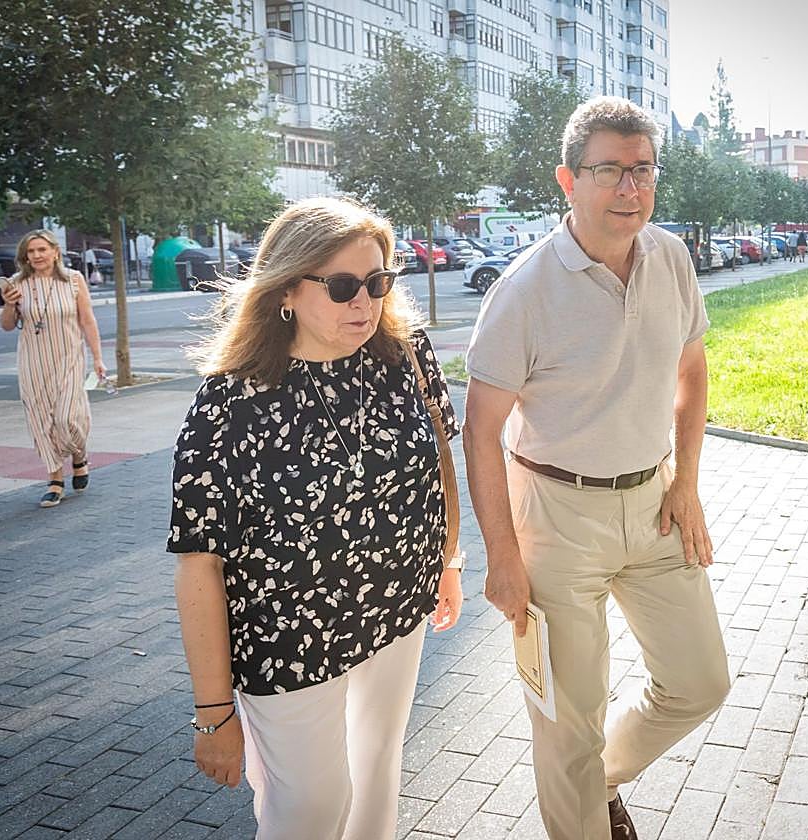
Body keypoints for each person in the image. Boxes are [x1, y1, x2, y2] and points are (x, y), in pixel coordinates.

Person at [463, 97, 730, 840]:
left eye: (643, 170)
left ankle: (597, 780)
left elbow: (693, 372)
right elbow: (479, 431)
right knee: (566, 720)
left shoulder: (671, 258)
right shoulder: (523, 290)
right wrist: (502, 558)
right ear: (568, 179)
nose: (630, 188)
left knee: (701, 683)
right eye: (609, 170)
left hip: (654, 504)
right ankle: (582, 805)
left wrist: (686, 485)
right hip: (557, 517)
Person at [167, 197, 464, 840]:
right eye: (342, 286)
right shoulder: (229, 399)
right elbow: (198, 562)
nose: (365, 302)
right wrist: (214, 711)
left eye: (378, 282)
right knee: (311, 806)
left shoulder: (407, 353)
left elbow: (439, 460)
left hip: (399, 601)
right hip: (287, 636)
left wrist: (448, 560)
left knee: (377, 771)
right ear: (286, 290)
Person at [0, 230, 106, 507]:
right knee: (41, 421)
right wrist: (9, 304)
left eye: (42, 249)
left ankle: (79, 455)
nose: (36, 256)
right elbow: (7, 325)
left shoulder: (73, 279)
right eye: (31, 251)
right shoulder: (17, 283)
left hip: (69, 358)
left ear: (55, 252)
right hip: (33, 361)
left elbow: (88, 320)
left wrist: (97, 358)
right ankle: (55, 479)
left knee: (67, 418)